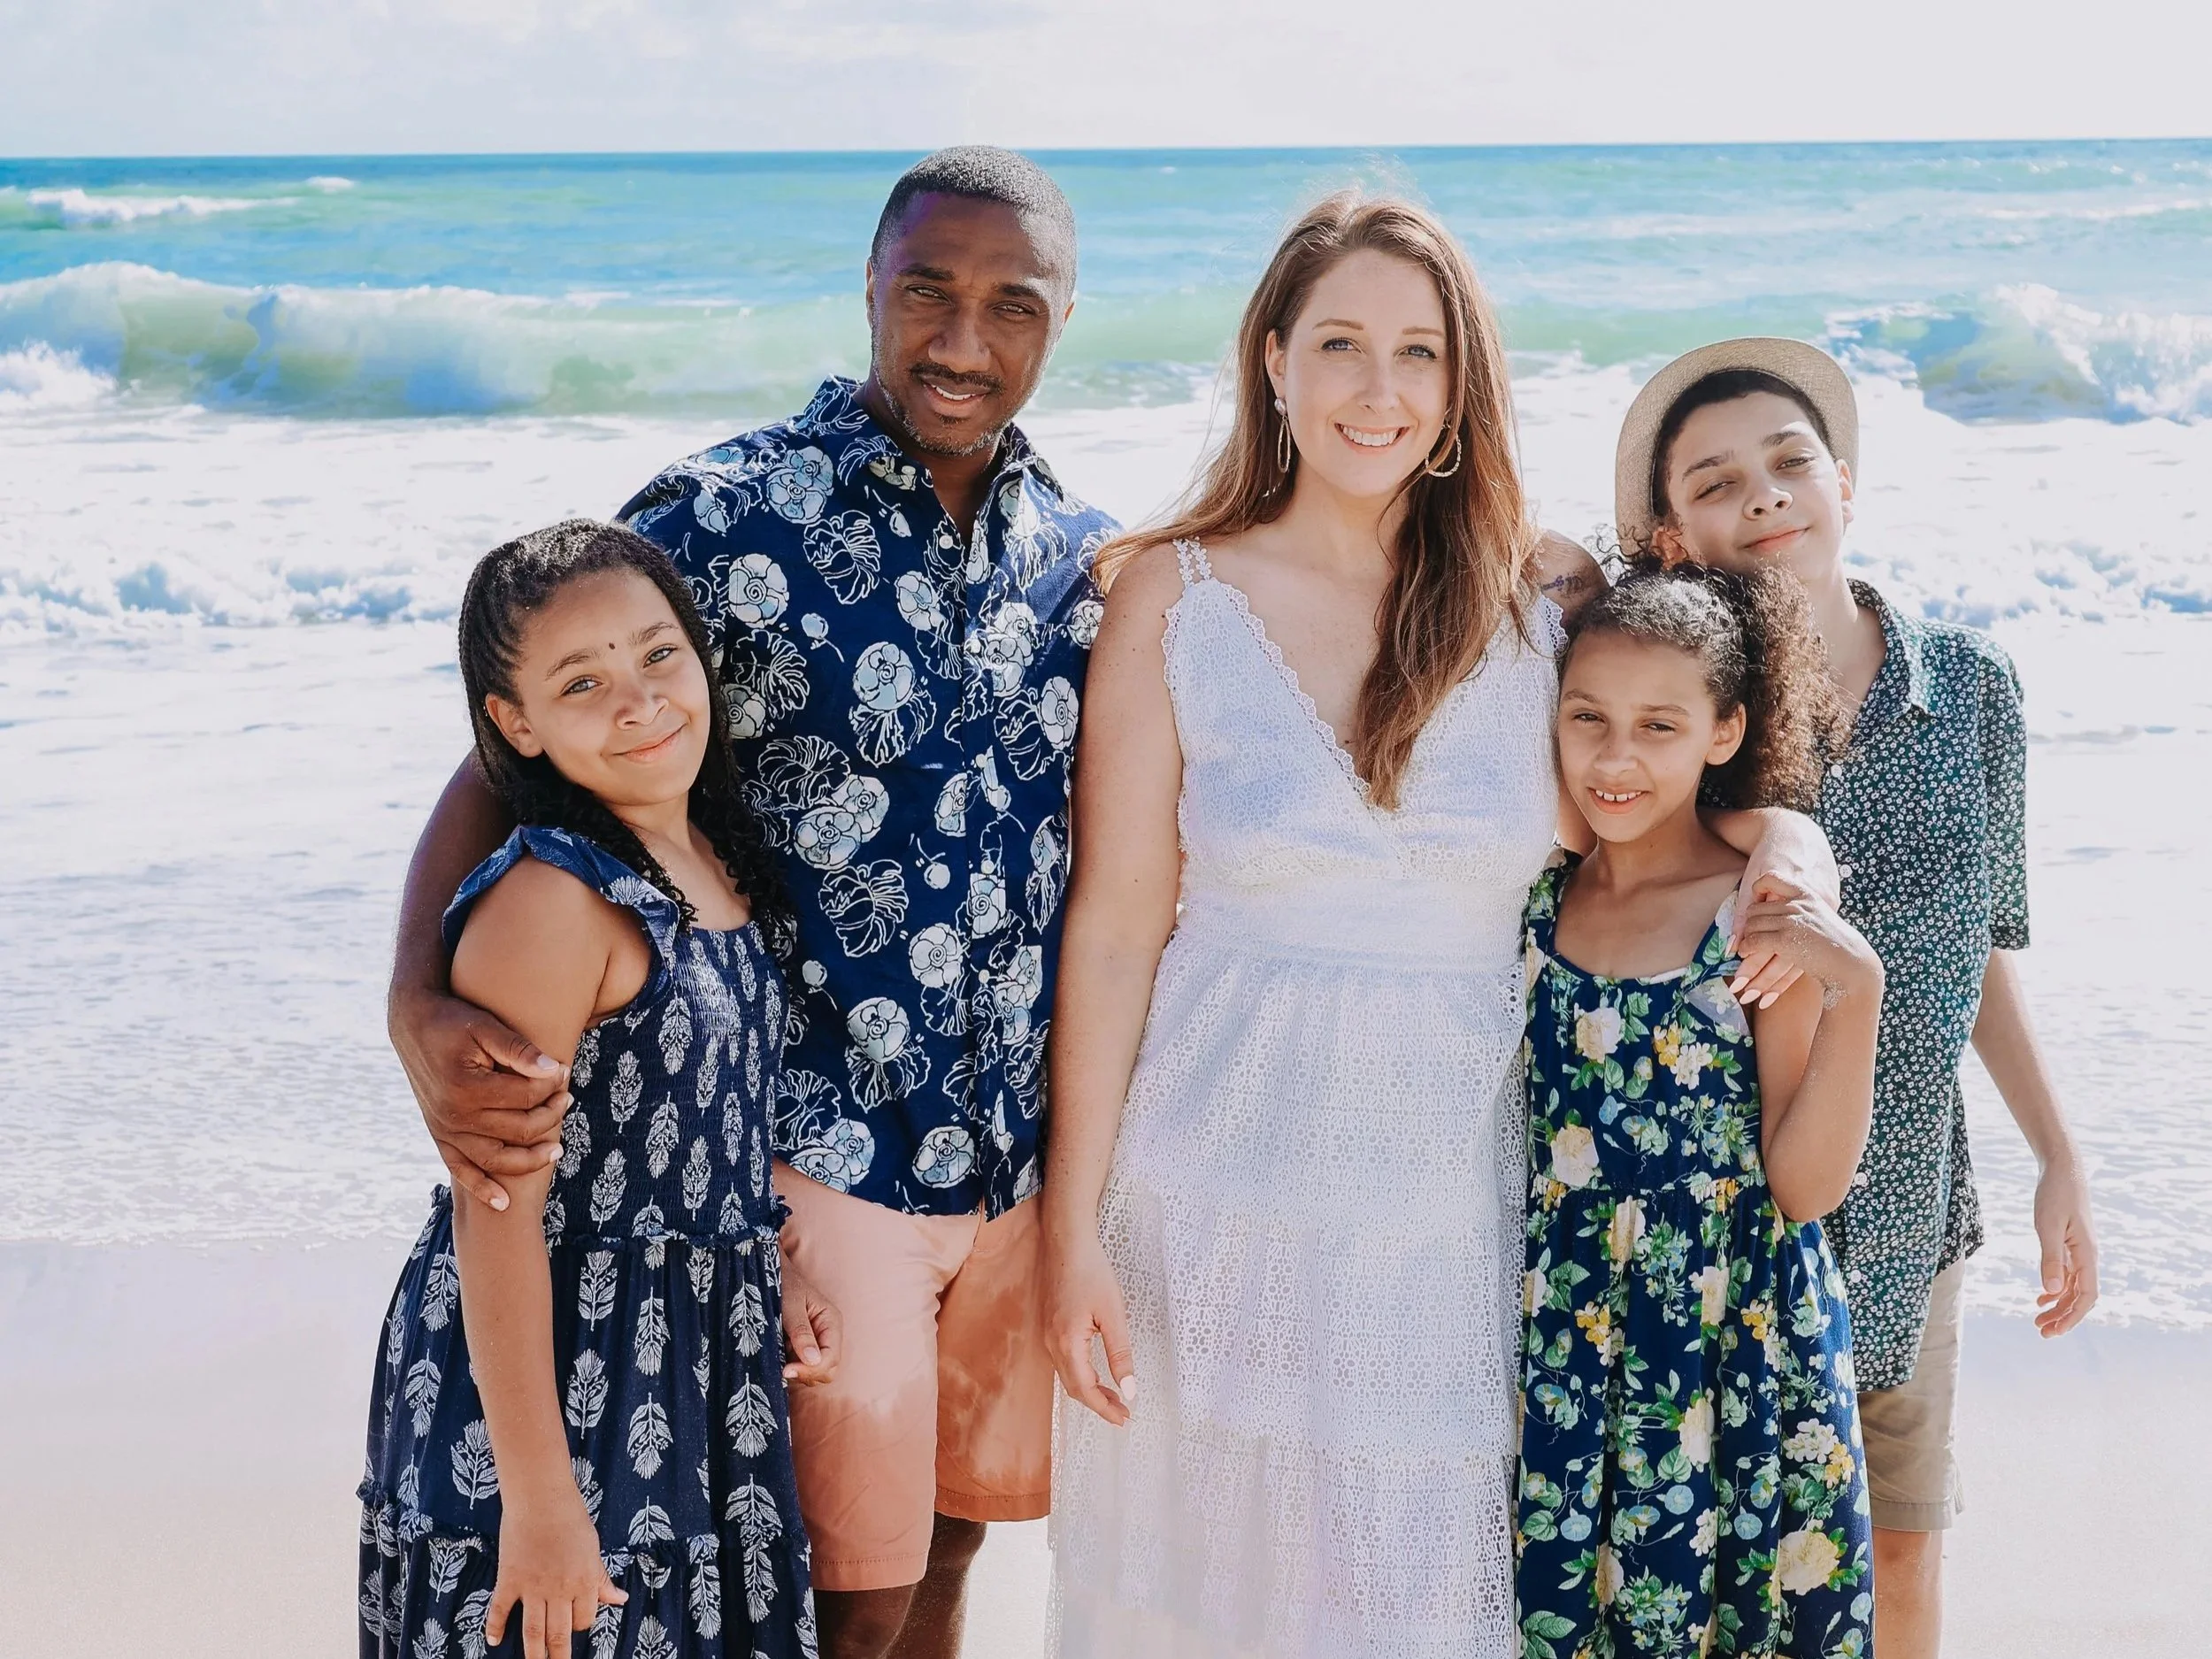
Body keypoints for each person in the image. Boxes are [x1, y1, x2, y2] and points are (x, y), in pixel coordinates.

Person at [1039, 194, 1835, 1659]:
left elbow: (1661, 789)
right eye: (1340, 343)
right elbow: (1112, 925)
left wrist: (1786, 836)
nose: (1378, 389)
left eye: (1418, 352)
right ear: (1271, 362)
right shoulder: (1174, 591)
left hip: (1457, 1209)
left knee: (1426, 1607)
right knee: (1214, 1608)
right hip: (1210, 1196)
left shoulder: (1549, 593)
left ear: (1462, 386)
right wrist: (1067, 1230)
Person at [386, 149, 1118, 1659]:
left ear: (1063, 319)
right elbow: (513, 745)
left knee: (956, 1541)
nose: (963, 341)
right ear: (869, 284)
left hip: (1015, 1164)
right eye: (928, 290)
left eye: (1011, 304)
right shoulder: (724, 516)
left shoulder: (1085, 556)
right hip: (818, 1145)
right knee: (849, 1586)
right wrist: (416, 996)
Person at [1618, 339, 2101, 1659]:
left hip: (1911, 1210)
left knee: (1899, 1551)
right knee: (1729, 1572)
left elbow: (1981, 944)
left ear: (1846, 483)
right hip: (1727, 1204)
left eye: (1789, 461)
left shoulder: (1974, 689)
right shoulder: (1679, 710)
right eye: (1716, 482)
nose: (1763, 494)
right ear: (1672, 534)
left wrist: (2059, 1155)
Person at [360, 520, 836, 1659]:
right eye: (583, 683)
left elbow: (690, 1120)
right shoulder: (553, 900)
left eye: (657, 655)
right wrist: (537, 1500)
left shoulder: (707, 860)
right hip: (555, 1379)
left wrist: (772, 1254)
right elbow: (497, 1207)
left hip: (696, 1367)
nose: (639, 702)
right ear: (514, 726)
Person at [1517, 561, 1880, 1658]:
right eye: (1588, 719)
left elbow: (1804, 1187)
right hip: (1565, 1343)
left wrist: (1855, 989)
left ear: (1722, 732)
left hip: (1730, 1348)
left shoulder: (1751, 916)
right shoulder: (1536, 893)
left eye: (1659, 727)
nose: (1616, 759)